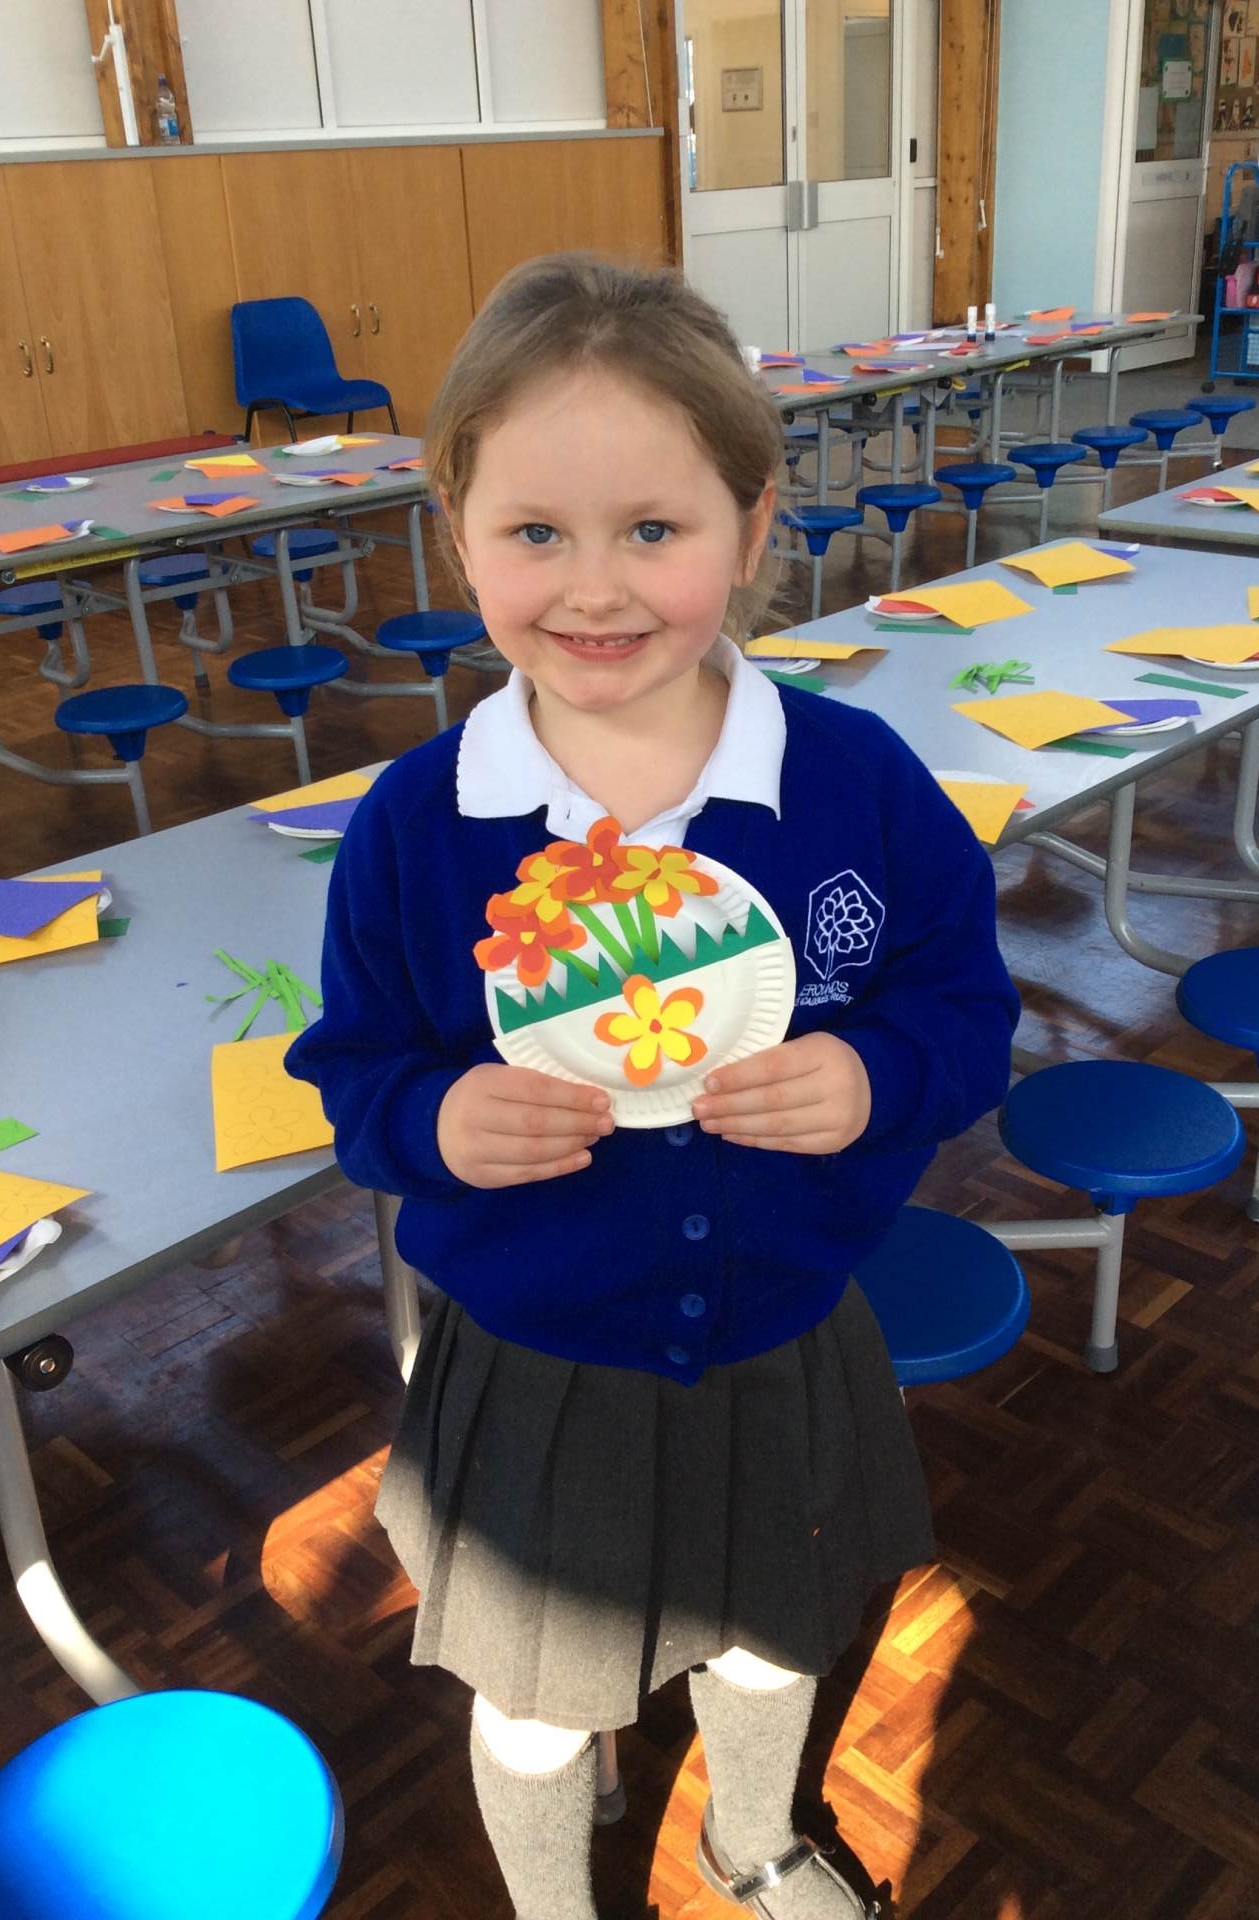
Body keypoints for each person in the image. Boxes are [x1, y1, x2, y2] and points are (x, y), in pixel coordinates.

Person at [287, 252, 1019, 1919]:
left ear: (750, 528)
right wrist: (433, 1122)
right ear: (457, 535)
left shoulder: (851, 782)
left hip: (785, 1327)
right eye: (535, 532)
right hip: (537, 1357)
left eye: (652, 529)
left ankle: (751, 1840)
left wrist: (875, 1074)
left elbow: (965, 1008)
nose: (593, 589)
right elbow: (355, 1072)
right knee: (539, 1703)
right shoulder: (418, 824)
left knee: (773, 1635)